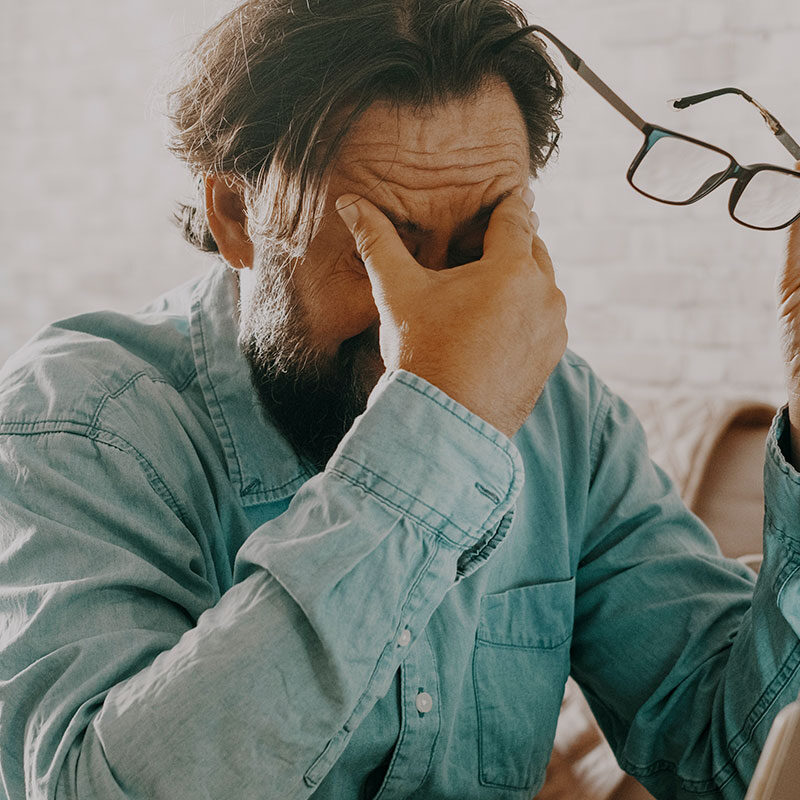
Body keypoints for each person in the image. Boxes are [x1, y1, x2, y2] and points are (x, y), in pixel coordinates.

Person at [1, 1, 799, 798]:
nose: (435, 314)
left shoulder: (565, 421)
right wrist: (437, 423)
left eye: (481, 244)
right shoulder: (79, 424)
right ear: (238, 214)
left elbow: (733, 761)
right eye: (385, 250)